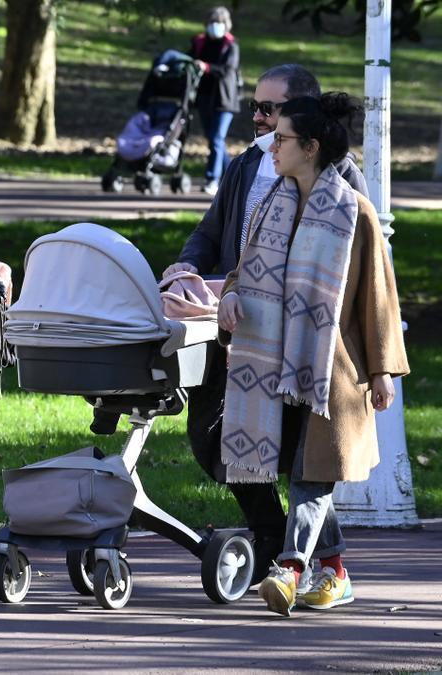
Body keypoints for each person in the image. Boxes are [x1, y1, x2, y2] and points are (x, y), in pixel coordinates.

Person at [161, 64, 369, 586]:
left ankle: (308, 562)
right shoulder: (245, 166)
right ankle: (275, 537)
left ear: (303, 120)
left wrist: (381, 365)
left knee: (305, 455)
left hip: (308, 342)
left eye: (268, 110)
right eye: (254, 106)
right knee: (218, 440)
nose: (255, 118)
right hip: (239, 330)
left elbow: (369, 272)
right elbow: (214, 234)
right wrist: (190, 267)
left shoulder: (342, 180)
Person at [216, 93, 409, 616]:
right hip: (273, 365)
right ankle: (337, 570)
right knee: (303, 469)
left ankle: (290, 567)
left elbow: (379, 294)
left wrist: (382, 370)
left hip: (334, 371)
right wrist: (231, 294)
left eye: (281, 138)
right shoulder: (270, 204)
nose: (271, 146)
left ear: (311, 146)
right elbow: (243, 267)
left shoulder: (354, 212)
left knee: (311, 471)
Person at [189, 6, 241, 196]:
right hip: (204, 98)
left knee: (217, 138)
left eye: (218, 22)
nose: (215, 26)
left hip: (224, 100)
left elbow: (228, 70)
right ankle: (233, 177)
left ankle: (212, 179)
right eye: (212, 22)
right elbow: (190, 59)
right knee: (214, 141)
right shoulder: (200, 43)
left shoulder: (231, 46)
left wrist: (207, 67)